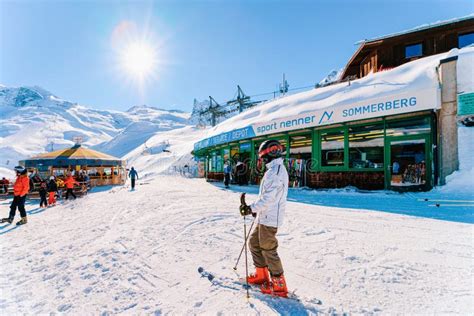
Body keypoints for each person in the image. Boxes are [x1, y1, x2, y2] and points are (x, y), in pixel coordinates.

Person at [239, 139, 289, 297]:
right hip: (264, 216)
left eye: (263, 157)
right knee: (254, 243)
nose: (262, 160)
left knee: (268, 249)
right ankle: (261, 275)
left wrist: (250, 208)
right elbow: (266, 197)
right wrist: (255, 210)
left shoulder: (275, 173)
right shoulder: (273, 170)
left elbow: (269, 199)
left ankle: (279, 285)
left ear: (271, 154)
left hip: (270, 218)